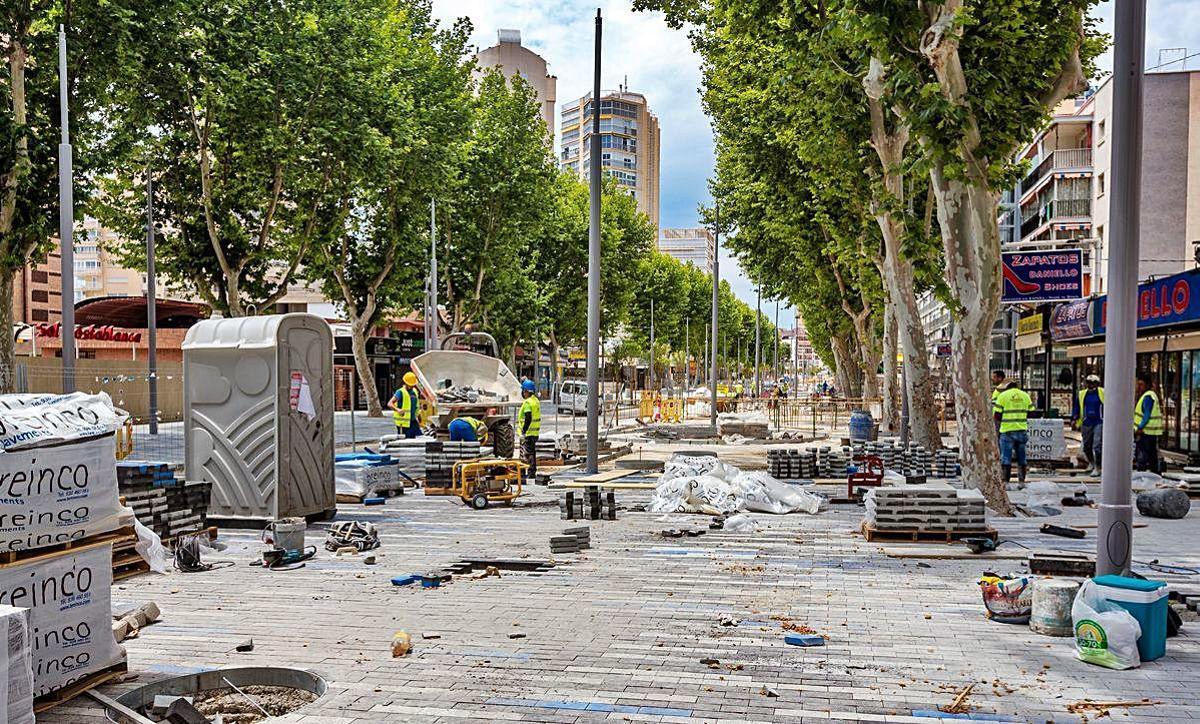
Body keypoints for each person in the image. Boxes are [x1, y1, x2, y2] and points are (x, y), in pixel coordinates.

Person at [994, 378, 1034, 484]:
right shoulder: (1025, 396)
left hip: (1007, 431)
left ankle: (1006, 483)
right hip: (1021, 430)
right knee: (1022, 457)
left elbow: (997, 415)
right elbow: (1032, 412)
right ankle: (1021, 482)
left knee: (1006, 457)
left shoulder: (1002, 396)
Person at [1071, 373, 1105, 475]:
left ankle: (1098, 467)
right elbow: (1077, 407)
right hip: (1086, 422)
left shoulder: (1103, 392)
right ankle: (1091, 462)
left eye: (1093, 383)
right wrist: (1074, 417)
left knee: (1097, 445)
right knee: (1087, 446)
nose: (1090, 385)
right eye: (1089, 383)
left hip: (1099, 421)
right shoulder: (1082, 394)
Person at [1134, 374, 1163, 472]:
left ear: (1147, 385)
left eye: (1141, 384)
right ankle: (1155, 474)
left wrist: (1139, 428)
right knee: (1152, 455)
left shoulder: (1148, 397)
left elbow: (1146, 415)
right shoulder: (1150, 395)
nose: (1139, 387)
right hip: (1150, 432)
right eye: (1138, 384)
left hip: (1145, 432)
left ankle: (1141, 474)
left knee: (1143, 455)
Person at [518, 379, 541, 481]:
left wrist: (523, 430)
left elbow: (528, 418)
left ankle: (530, 472)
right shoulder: (535, 401)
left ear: (526, 391)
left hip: (528, 432)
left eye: (523, 391)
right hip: (535, 432)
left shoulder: (527, 403)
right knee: (532, 452)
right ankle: (532, 471)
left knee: (528, 453)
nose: (523, 393)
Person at [389, 372, 421, 438]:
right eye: (410, 384)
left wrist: (418, 415)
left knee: (419, 437)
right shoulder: (400, 392)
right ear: (406, 383)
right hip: (403, 424)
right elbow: (390, 403)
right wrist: (398, 409)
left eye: (413, 385)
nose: (412, 386)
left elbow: (416, 405)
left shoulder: (414, 391)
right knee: (406, 442)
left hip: (413, 421)